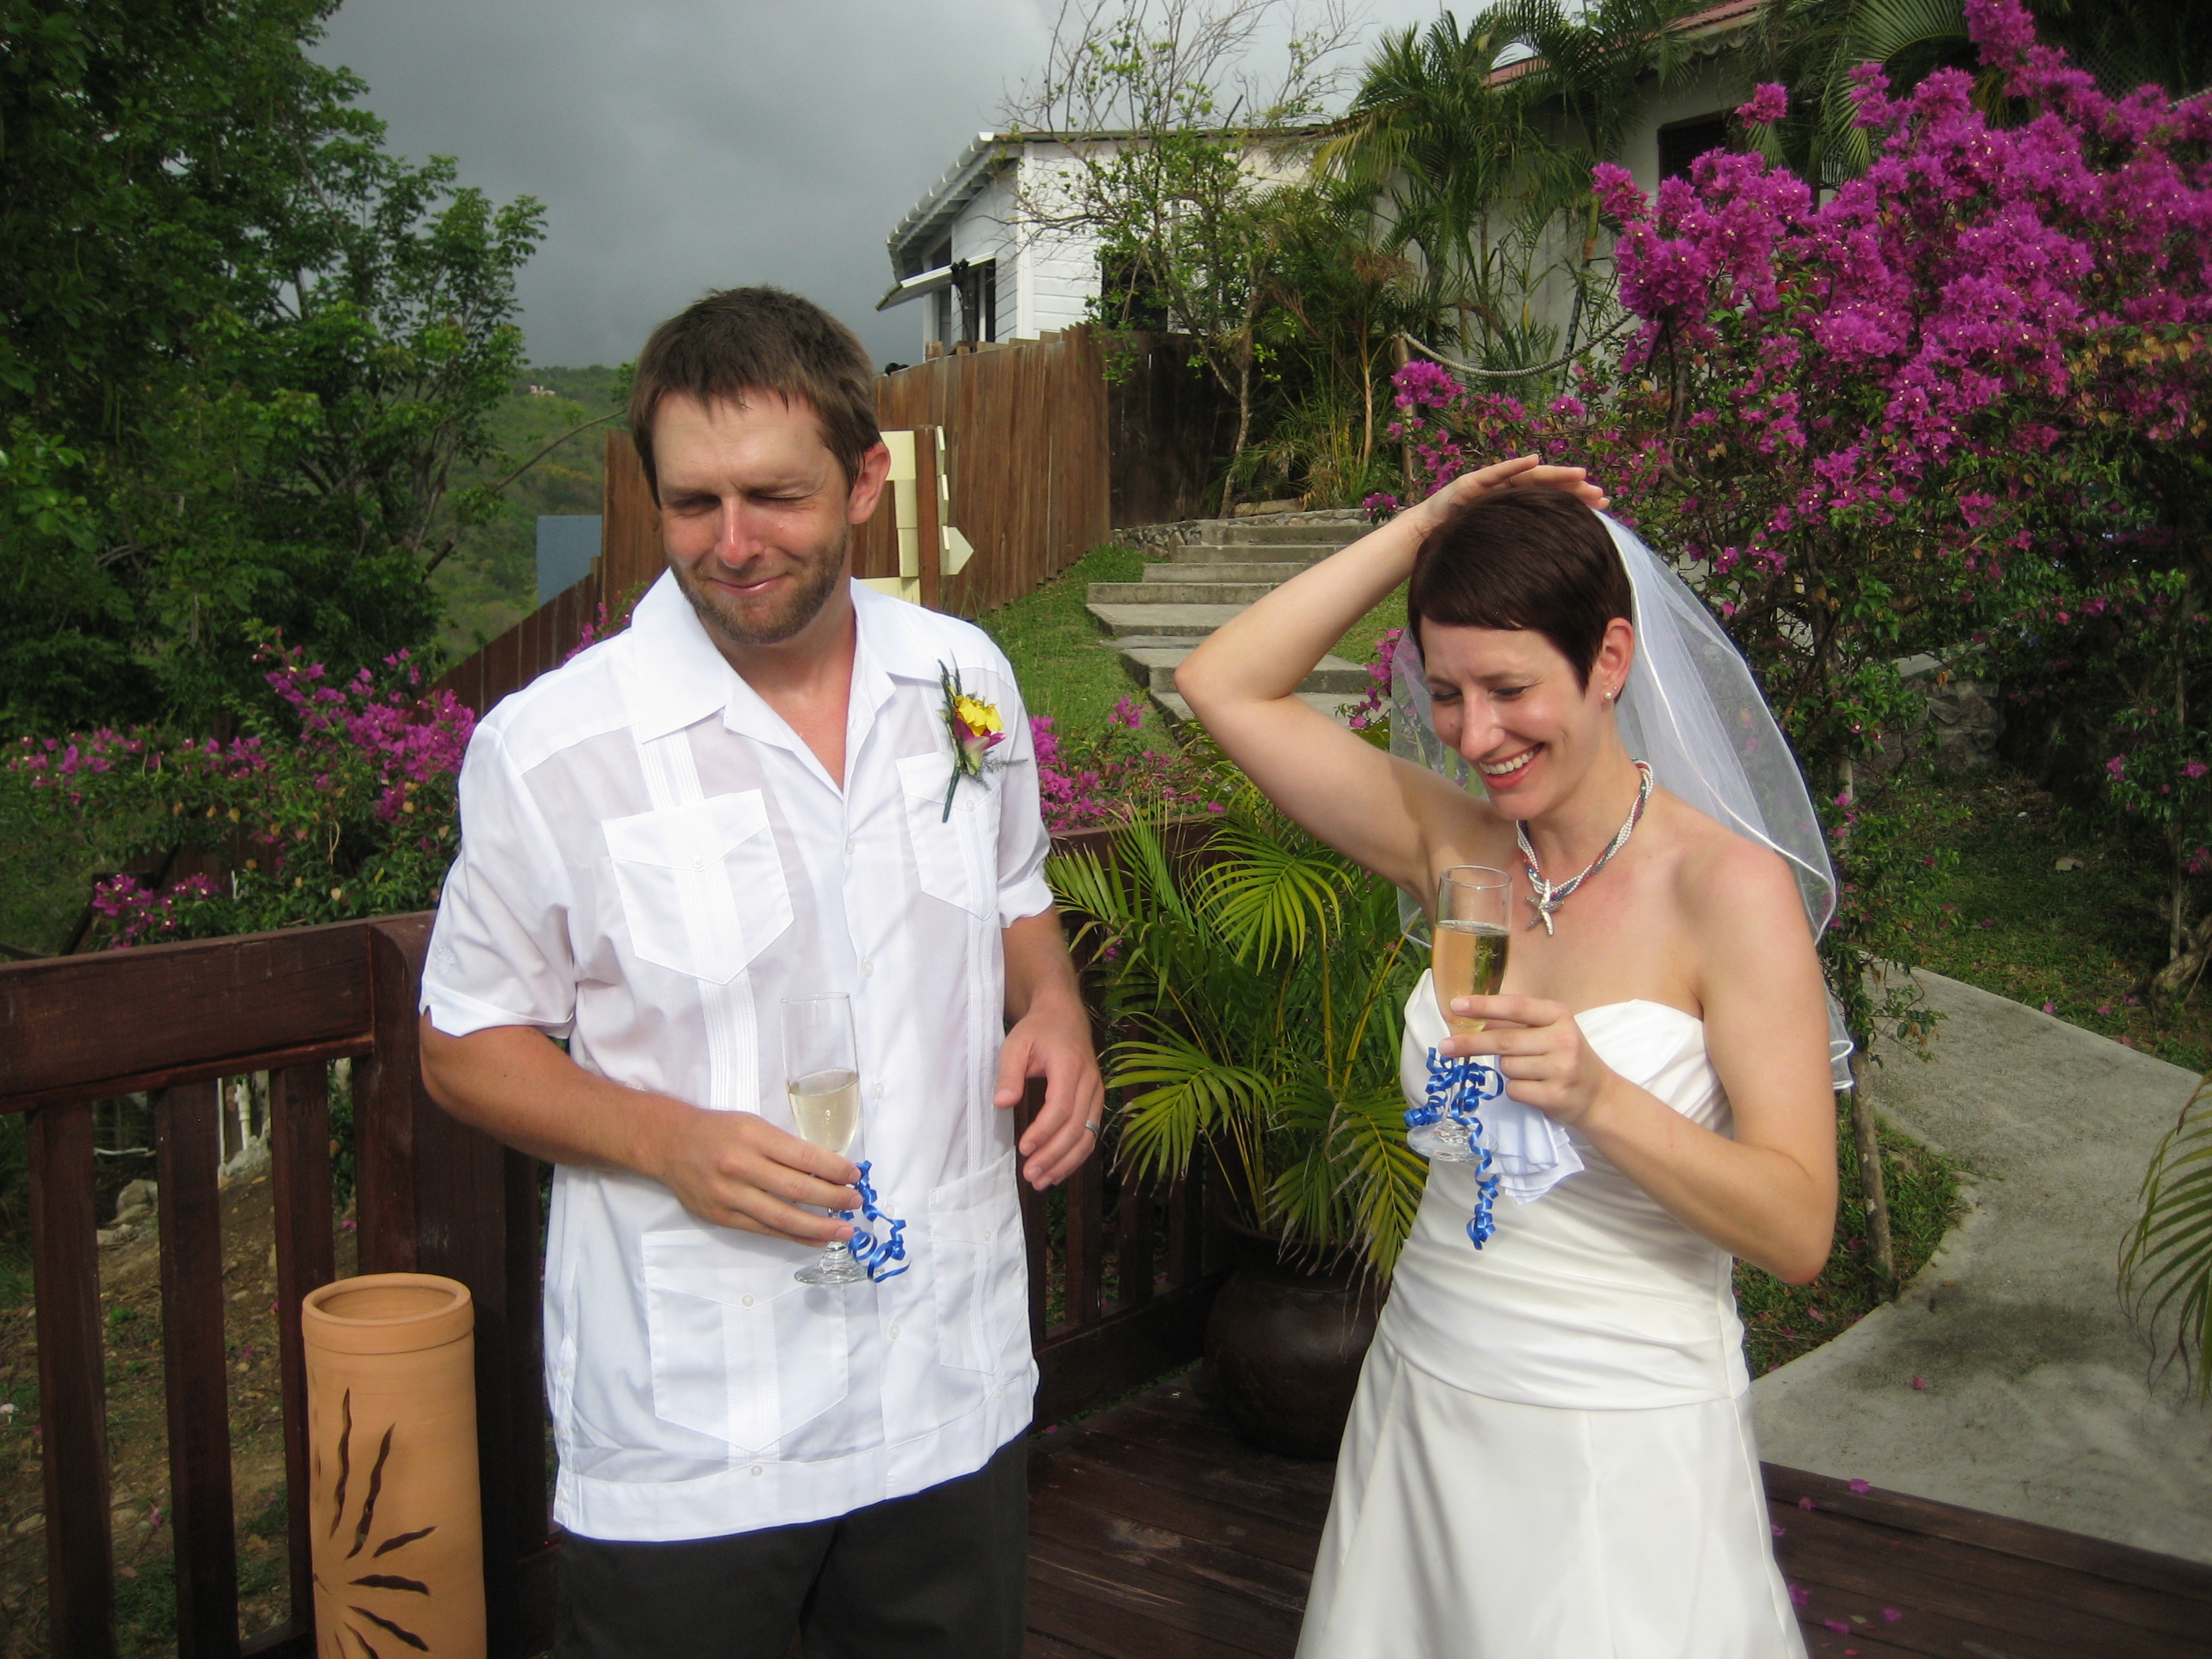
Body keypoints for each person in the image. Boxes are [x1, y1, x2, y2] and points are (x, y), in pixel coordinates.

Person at [416, 287, 1102, 1659]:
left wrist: (1058, 1006)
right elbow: (462, 1043)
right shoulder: (553, 750)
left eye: (774, 497)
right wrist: (665, 1141)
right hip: (699, 1427)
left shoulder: (963, 682)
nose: (731, 545)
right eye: (693, 503)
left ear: (864, 483)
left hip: (942, 1375)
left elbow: (1013, 889)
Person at [1175, 459, 1835, 1658]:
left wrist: (1601, 1097)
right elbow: (1222, 683)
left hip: (1618, 1439)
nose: (1475, 736)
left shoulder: (1728, 893)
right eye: (1445, 692)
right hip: (1429, 1391)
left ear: (1611, 659)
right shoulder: (1460, 848)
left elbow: (1797, 1230)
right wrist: (1427, 530)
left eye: (1511, 689)